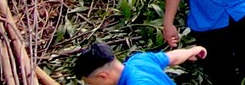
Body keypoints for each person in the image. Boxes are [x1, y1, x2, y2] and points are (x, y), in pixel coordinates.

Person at [73, 42, 206, 85]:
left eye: (91, 83)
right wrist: (192, 51)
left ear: (102, 76)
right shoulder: (139, 60)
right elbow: (172, 57)